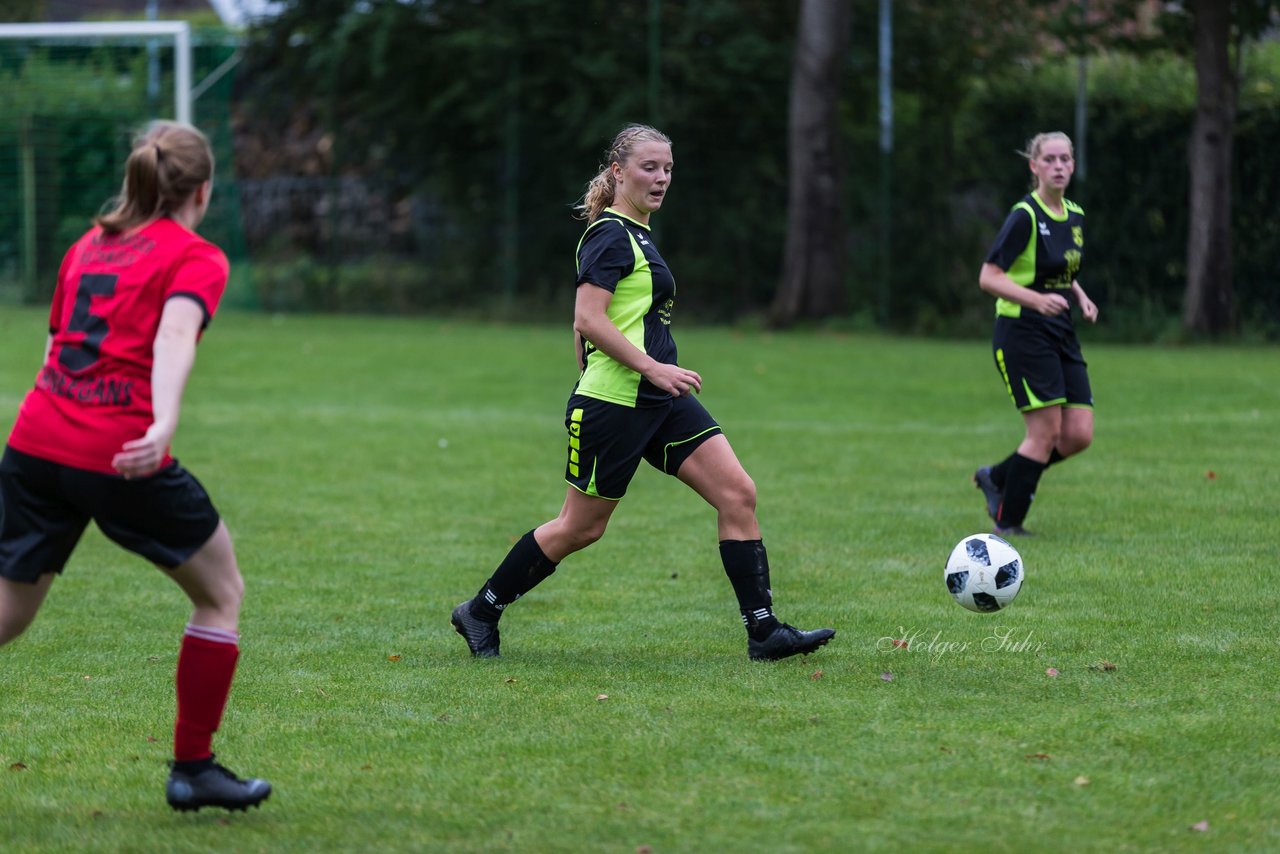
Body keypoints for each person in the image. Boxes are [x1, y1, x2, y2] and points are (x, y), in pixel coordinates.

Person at [451, 124, 835, 661]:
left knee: (737, 493)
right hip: (616, 402)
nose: (660, 178)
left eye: (668, 169)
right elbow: (588, 317)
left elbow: (589, 321)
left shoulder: (637, 234)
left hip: (660, 399)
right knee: (582, 527)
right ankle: (481, 610)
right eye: (648, 167)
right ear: (618, 172)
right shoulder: (610, 233)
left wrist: (653, 373)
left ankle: (764, 632)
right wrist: (648, 368)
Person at [0, 121, 271, 812]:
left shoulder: (89, 243)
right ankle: (193, 768)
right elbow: (176, 331)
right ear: (203, 191)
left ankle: (196, 769)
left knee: (9, 609)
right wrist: (163, 422)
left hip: (35, 438)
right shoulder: (195, 255)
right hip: (116, 452)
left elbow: (53, 346)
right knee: (220, 591)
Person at [973, 131, 1099, 536]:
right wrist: (1033, 300)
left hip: (1061, 328)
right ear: (1034, 166)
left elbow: (1058, 270)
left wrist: (1079, 295)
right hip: (1022, 331)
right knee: (1044, 432)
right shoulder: (1025, 215)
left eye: (1065, 159)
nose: (1059, 166)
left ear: (1073, 165)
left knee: (1078, 434)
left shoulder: (1074, 213)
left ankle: (996, 476)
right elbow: (989, 277)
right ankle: (1008, 525)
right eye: (1050, 160)